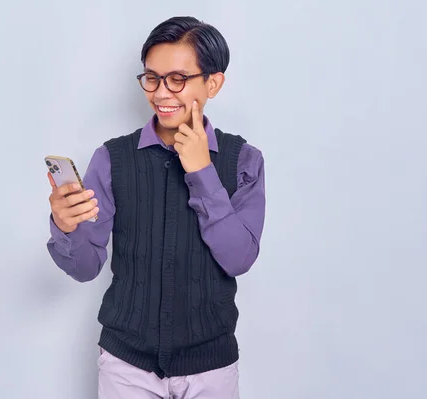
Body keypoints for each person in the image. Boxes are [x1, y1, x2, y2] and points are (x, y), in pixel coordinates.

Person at [46, 16, 265, 399]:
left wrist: (201, 170)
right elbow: (84, 268)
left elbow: (239, 258)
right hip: (126, 365)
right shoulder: (112, 158)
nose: (162, 93)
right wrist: (66, 228)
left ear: (213, 82)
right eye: (152, 78)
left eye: (178, 79)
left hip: (211, 365)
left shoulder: (243, 160)